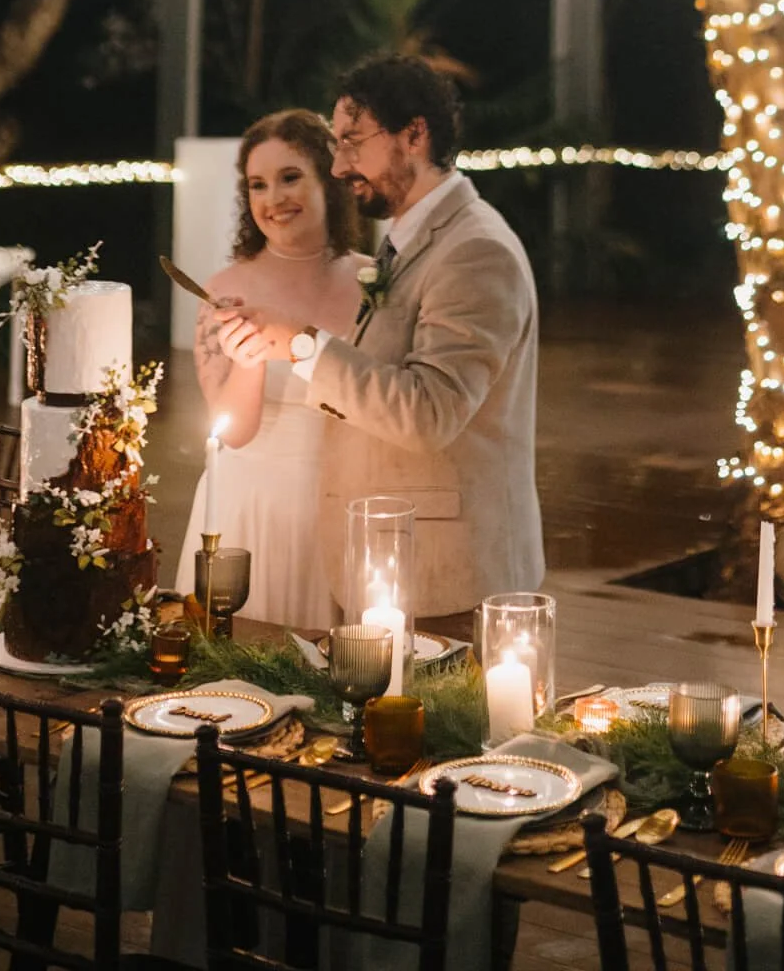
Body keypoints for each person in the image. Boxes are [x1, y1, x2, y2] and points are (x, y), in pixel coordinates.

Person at [222, 56, 544, 631]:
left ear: (413, 135)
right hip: (387, 564)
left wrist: (303, 345)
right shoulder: (408, 240)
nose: (341, 165)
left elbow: (429, 412)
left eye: (352, 142)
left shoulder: (475, 251)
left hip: (446, 581)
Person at [174, 108, 363, 628]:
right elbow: (234, 432)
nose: (273, 200)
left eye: (289, 178)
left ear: (329, 179)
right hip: (247, 507)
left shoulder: (374, 282)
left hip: (343, 502)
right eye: (258, 185)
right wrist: (248, 359)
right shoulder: (225, 288)